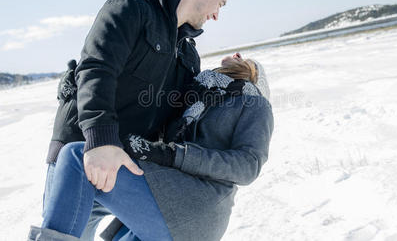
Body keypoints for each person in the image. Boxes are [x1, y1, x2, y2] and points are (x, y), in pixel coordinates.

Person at [34, 0, 238, 241]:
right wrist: (100, 141)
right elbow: (96, 70)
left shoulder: (188, 55)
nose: (217, 15)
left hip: (122, 166)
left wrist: (230, 76)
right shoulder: (131, 9)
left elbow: (181, 115)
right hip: (83, 152)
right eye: (220, 3)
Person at [29, 54, 274, 241]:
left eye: (249, 60)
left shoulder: (253, 102)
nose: (238, 55)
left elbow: (248, 165)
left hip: (196, 210)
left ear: (253, 75)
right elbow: (146, 128)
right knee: (89, 189)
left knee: (77, 158)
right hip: (166, 198)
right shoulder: (195, 96)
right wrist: (76, 98)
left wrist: (176, 155)